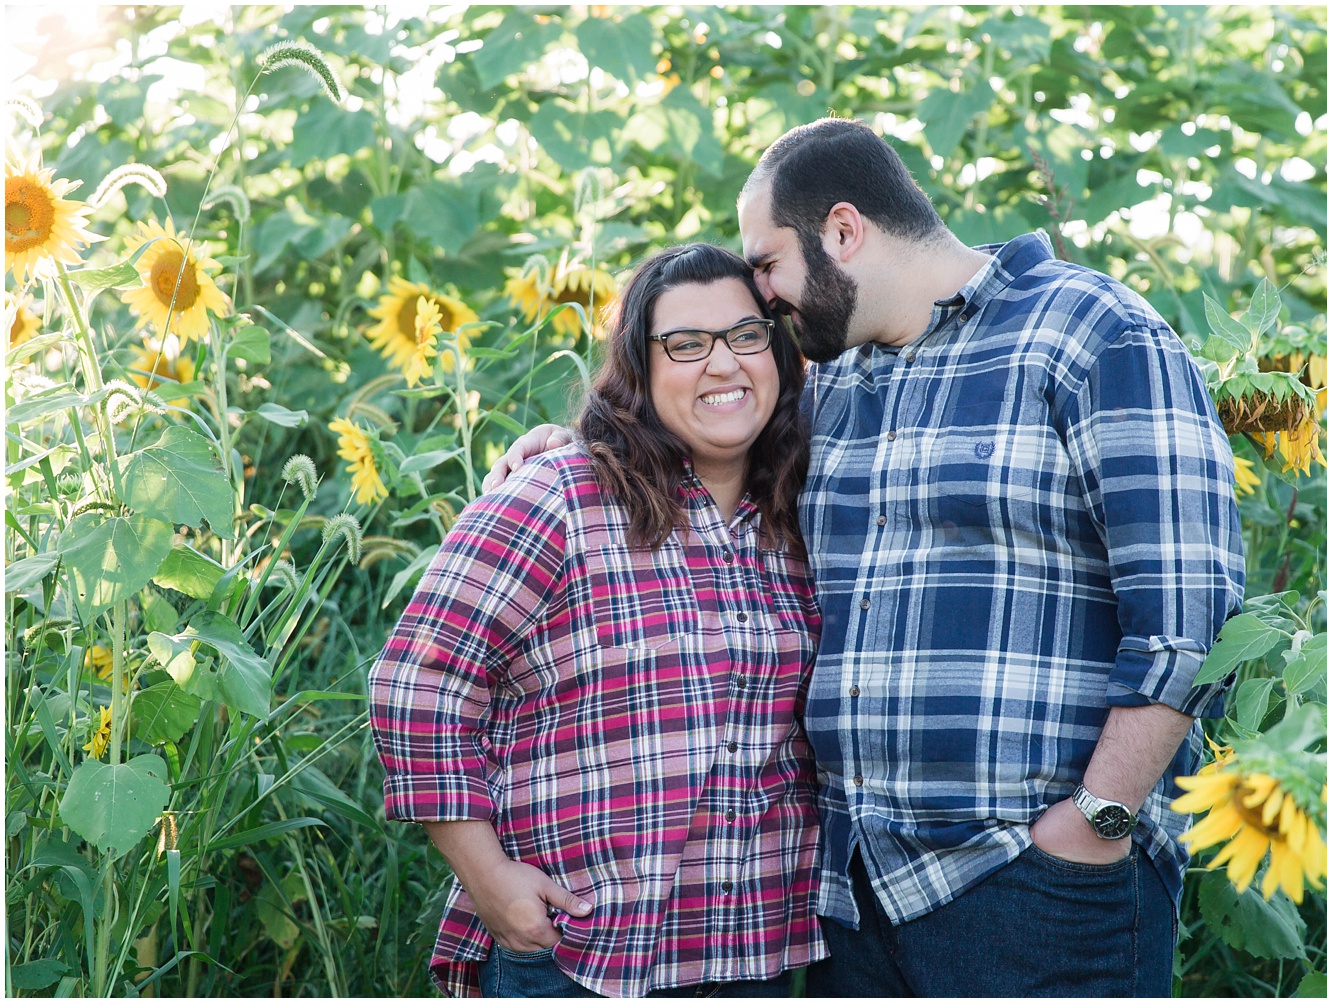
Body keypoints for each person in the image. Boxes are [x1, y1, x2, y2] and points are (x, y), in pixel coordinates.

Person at [486, 118, 1245, 997]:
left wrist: (1095, 821)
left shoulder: (1094, 335)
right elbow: (699, 433)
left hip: (1032, 878)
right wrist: (573, 444)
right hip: (856, 891)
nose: (761, 295)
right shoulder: (832, 381)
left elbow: (1194, 615)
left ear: (843, 232)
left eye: (767, 263)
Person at [370, 242, 827, 998]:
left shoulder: (797, 518)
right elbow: (417, 684)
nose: (724, 363)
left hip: (755, 956)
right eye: (685, 344)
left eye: (747, 336)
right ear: (639, 368)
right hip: (581, 950)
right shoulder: (561, 493)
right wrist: (490, 880)